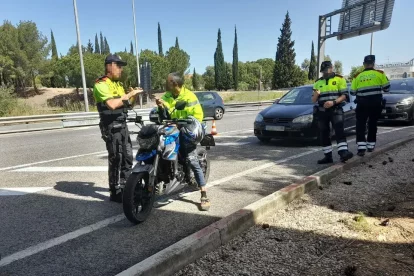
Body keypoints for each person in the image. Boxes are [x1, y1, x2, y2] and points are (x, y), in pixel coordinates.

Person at [156, 72, 210, 211]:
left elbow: (197, 116)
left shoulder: (189, 96)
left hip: (190, 128)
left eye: (167, 81)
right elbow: (165, 115)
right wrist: (161, 107)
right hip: (173, 127)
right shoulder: (167, 96)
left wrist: (182, 124)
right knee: (159, 146)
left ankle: (203, 193)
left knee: (191, 159)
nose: (165, 83)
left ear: (175, 83)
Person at [93, 54, 143, 202]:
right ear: (109, 66)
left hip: (122, 125)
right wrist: (129, 95)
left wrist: (134, 96)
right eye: (118, 66)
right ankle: (115, 192)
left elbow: (127, 104)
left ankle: (126, 188)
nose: (121, 69)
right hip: (111, 127)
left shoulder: (118, 85)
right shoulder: (101, 84)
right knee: (116, 159)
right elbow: (112, 105)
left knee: (127, 157)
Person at [312, 61, 354, 164]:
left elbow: (344, 95)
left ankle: (343, 153)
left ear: (332, 68)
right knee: (324, 134)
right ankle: (328, 157)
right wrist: (316, 95)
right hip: (322, 111)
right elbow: (313, 100)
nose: (325, 73)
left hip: (336, 109)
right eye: (323, 71)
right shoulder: (318, 82)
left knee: (339, 131)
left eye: (326, 70)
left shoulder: (339, 79)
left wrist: (333, 102)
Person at [351, 55, 390, 156]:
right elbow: (387, 88)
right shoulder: (380, 73)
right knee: (372, 124)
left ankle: (361, 148)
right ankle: (371, 146)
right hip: (376, 104)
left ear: (364, 64)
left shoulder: (357, 76)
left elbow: (352, 92)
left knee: (360, 125)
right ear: (373, 63)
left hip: (362, 104)